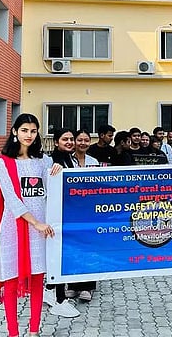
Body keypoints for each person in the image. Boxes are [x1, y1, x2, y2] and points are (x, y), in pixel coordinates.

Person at [0, 113, 62, 337]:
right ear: (14, 132)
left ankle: (34, 330)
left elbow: (52, 191)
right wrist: (36, 223)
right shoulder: (4, 162)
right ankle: (13, 332)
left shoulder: (44, 161)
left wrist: (58, 171)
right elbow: (11, 200)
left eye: (33, 131)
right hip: (13, 228)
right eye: (24, 130)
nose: (29, 135)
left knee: (38, 280)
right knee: (11, 281)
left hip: (40, 230)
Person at [43, 129, 82, 318]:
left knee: (62, 255)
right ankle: (59, 301)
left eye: (71, 139)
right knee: (58, 257)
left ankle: (50, 290)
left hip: (69, 214)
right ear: (56, 141)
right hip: (56, 217)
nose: (69, 142)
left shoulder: (71, 159)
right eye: (65, 139)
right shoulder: (51, 161)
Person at [65, 129, 99, 303]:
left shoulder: (94, 162)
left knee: (89, 247)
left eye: (86, 140)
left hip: (89, 211)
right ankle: (72, 285)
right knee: (72, 247)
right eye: (79, 140)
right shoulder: (66, 161)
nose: (83, 143)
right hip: (70, 210)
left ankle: (87, 286)